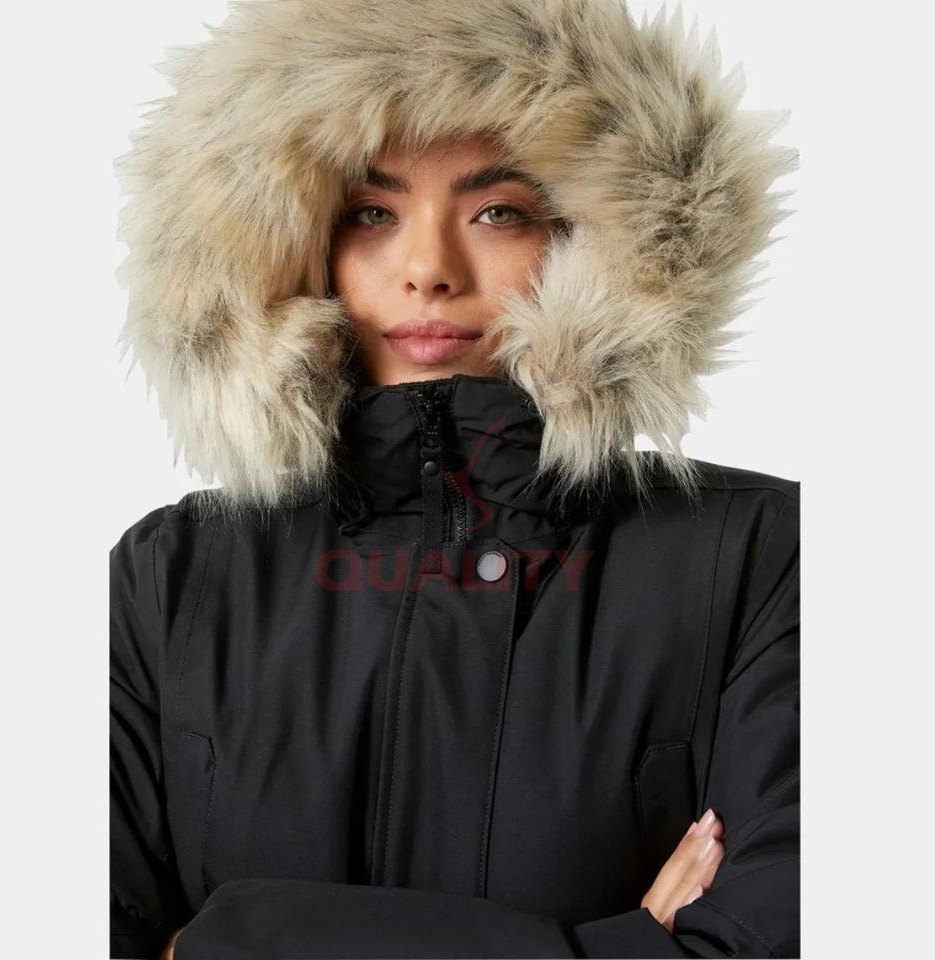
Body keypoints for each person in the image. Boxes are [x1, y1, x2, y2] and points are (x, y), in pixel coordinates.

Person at [110, 1, 799, 957]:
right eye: (372, 213)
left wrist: (223, 941)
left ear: (599, 243)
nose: (429, 268)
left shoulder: (757, 558)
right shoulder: (171, 578)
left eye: (498, 211)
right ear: (288, 244)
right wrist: (622, 945)